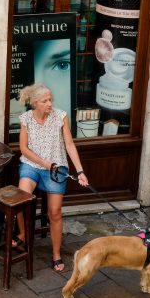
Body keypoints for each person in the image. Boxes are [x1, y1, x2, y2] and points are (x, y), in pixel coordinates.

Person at [15, 82, 88, 273]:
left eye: (50, 100)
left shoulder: (60, 116)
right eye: (45, 101)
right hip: (32, 165)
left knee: (54, 212)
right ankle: (23, 234)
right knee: (20, 199)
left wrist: (80, 172)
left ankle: (56, 253)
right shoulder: (26, 119)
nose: (50, 104)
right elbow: (23, 149)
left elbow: (69, 145)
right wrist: (43, 163)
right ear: (35, 103)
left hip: (57, 167)